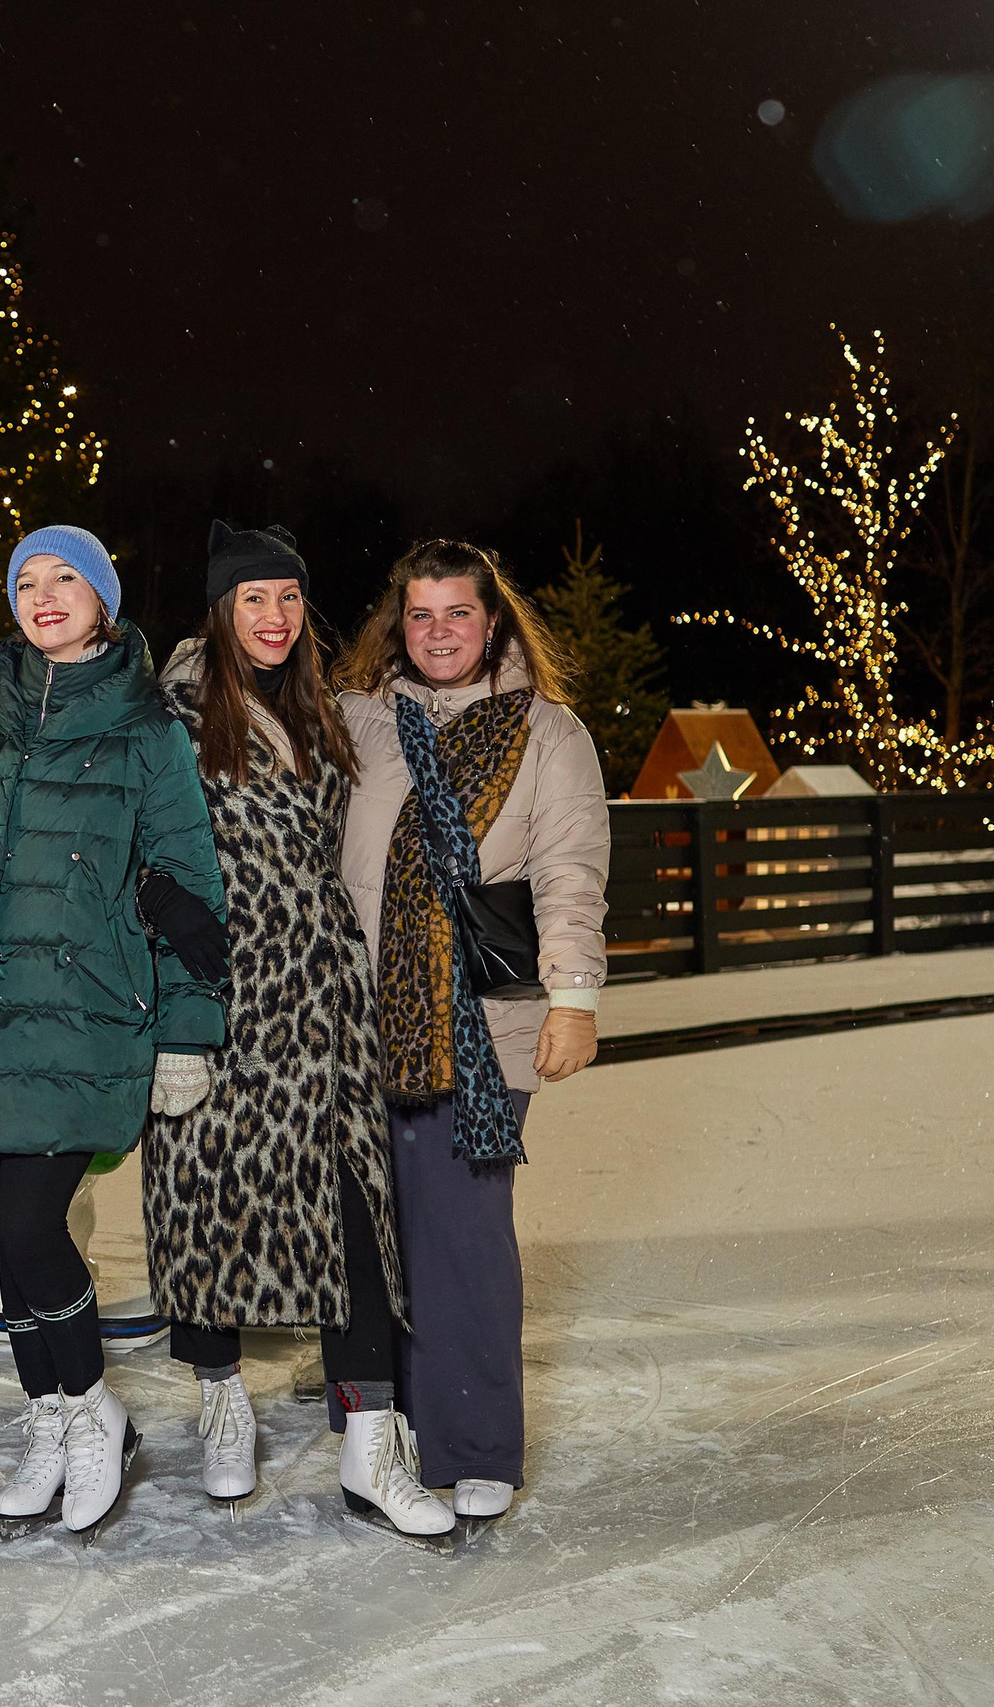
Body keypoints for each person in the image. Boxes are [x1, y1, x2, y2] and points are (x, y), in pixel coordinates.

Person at [147, 521, 448, 1537]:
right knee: (206, 1202)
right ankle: (220, 1398)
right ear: (220, 610)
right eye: (251, 600)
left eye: (286, 599)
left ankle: (372, 1446)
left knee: (356, 1221)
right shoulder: (173, 713)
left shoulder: (333, 714)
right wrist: (166, 919)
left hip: (323, 998)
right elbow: (133, 840)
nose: (272, 619)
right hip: (218, 997)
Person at [0, 523, 228, 1537]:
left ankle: (92, 1407)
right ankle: (53, 1414)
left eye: (68, 579)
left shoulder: (149, 729)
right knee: (17, 1246)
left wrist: (188, 1031)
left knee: (27, 1230)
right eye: (26, 580)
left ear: (103, 599)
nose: (45, 594)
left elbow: (187, 879)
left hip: (94, 1009)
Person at [336, 538, 608, 1523]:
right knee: (376, 1242)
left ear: (492, 621)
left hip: (482, 1021)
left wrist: (573, 995)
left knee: (459, 1236)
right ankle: (388, 1434)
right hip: (360, 1018)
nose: (438, 631)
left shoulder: (547, 733)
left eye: (458, 612)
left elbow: (571, 873)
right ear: (395, 625)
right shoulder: (358, 723)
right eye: (419, 614)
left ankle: (476, 1439)